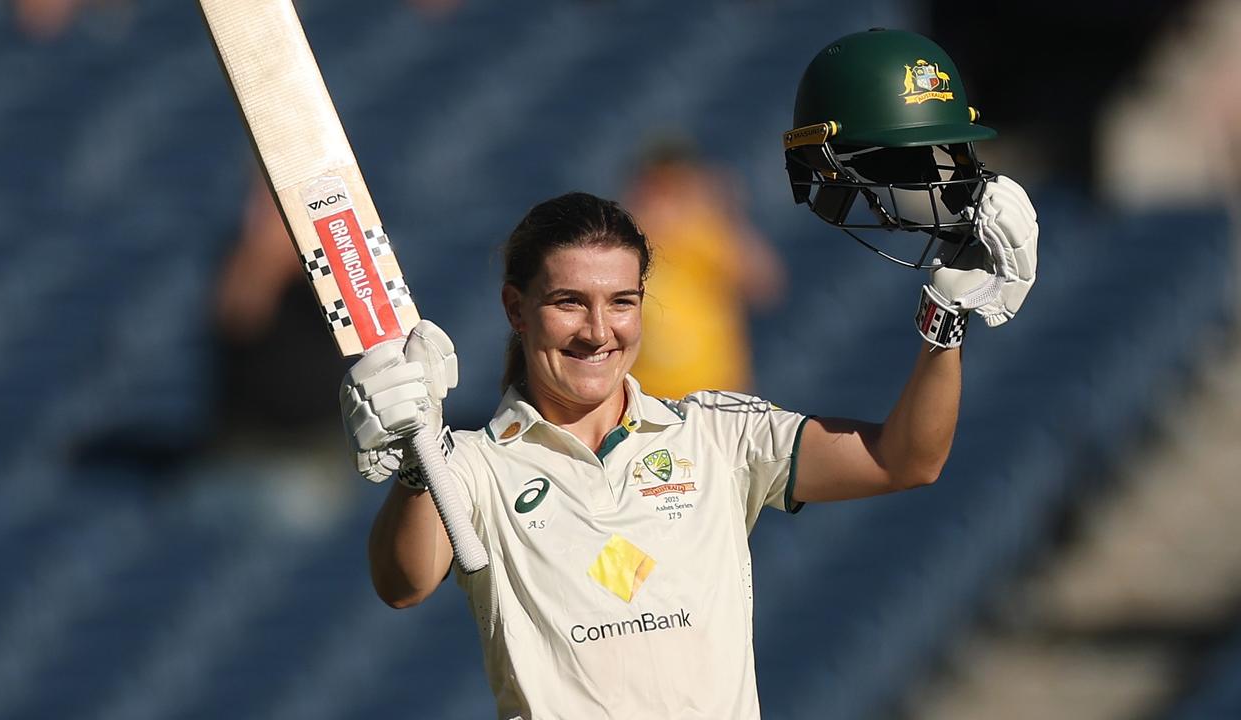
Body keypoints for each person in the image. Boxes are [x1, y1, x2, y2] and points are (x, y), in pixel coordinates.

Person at [340, 28, 1039, 719]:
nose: (597, 330)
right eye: (568, 303)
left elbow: (906, 460)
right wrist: (414, 460)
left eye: (622, 302)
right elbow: (403, 584)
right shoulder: (470, 464)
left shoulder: (717, 434)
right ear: (516, 310)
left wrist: (947, 320)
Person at [623, 133, 785, 398]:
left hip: (714, 396)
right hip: (645, 397)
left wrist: (725, 216)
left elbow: (765, 286)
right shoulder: (624, 240)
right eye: (657, 187)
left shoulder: (709, 235)